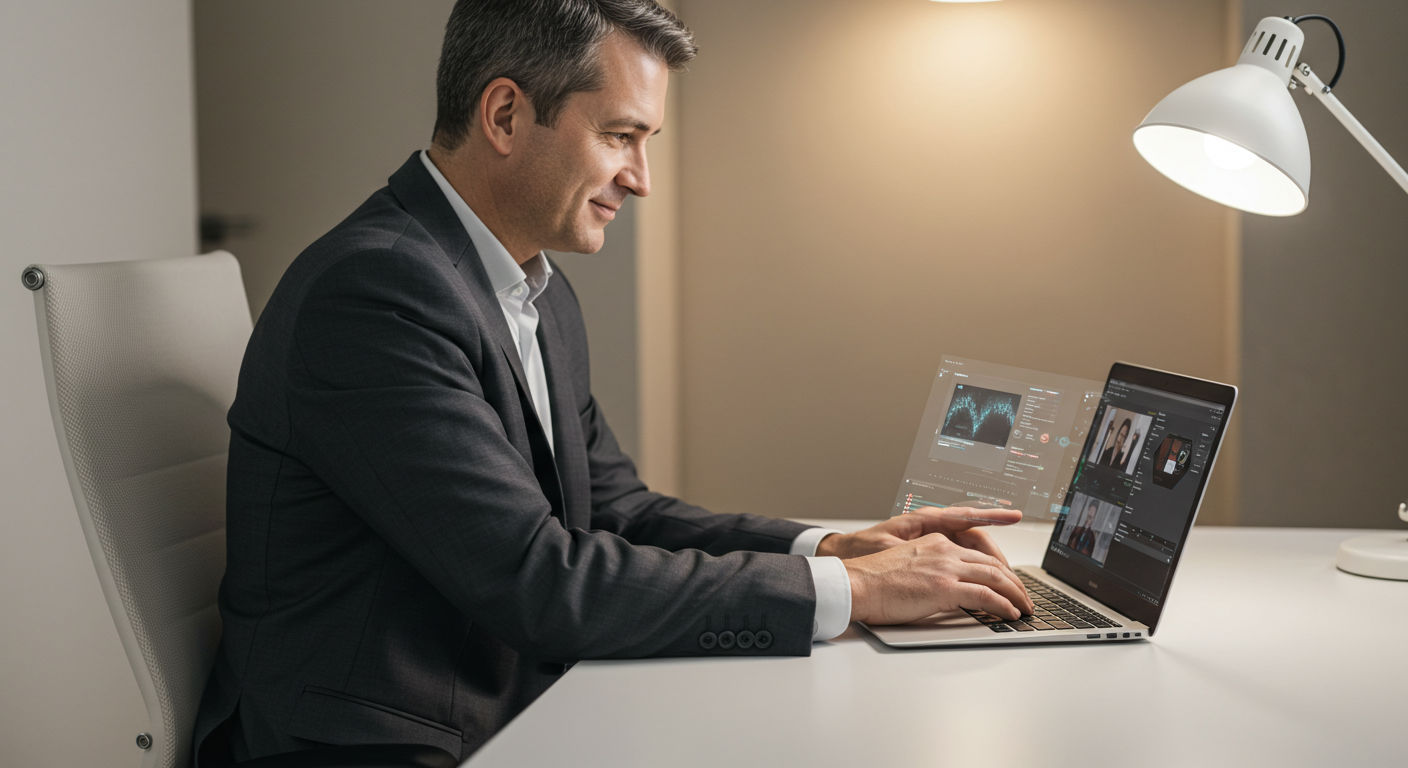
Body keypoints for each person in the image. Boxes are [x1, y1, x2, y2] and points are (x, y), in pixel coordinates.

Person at [193, 1, 1032, 764]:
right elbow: (538, 580)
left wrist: (828, 550)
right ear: (505, 115)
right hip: (377, 745)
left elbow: (619, 512)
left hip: (503, 707)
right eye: (620, 136)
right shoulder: (375, 292)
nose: (641, 178)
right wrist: (857, 593)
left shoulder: (534, 290)